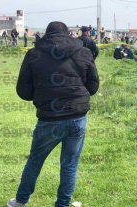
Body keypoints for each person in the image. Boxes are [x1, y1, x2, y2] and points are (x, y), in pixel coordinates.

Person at [7, 21, 99, 207]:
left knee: (35, 161)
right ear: (68, 34)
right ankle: (63, 204)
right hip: (77, 116)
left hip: (49, 118)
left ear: (46, 34)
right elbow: (93, 85)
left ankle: (20, 201)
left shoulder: (33, 54)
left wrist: (43, 95)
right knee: (70, 165)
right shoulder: (84, 51)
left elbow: (23, 90)